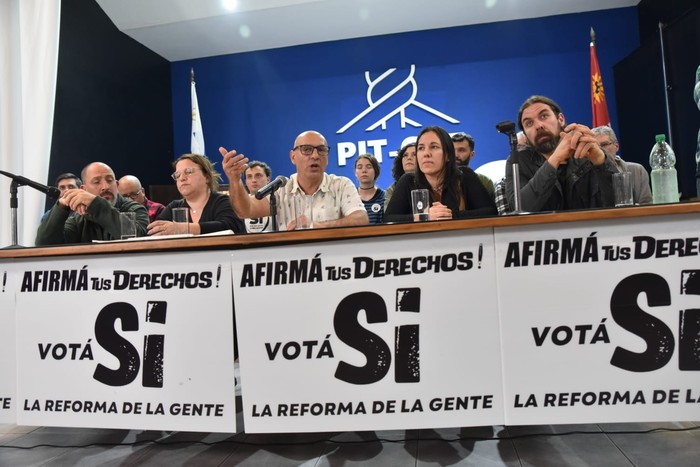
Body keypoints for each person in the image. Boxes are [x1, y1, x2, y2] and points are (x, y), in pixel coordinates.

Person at [220, 130, 369, 229]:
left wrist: (314, 226)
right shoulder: (280, 189)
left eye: (321, 150)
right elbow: (246, 211)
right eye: (307, 150)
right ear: (293, 157)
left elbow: (361, 219)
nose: (315, 156)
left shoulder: (341, 185)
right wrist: (234, 180)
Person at [505, 95, 616, 212]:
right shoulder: (517, 161)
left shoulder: (585, 151)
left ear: (561, 119)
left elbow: (618, 203)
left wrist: (600, 161)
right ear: (525, 135)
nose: (538, 126)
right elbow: (520, 209)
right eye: (529, 123)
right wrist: (555, 158)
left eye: (544, 116)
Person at [385, 126, 497, 222]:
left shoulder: (464, 175)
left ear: (448, 155)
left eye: (434, 147)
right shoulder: (408, 181)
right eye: (421, 148)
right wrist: (425, 216)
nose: (426, 154)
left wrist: (450, 215)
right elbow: (389, 218)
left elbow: (490, 212)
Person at [36, 162, 148, 245]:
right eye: (96, 182)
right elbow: (44, 244)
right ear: (83, 189)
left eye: (109, 180)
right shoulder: (78, 218)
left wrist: (94, 203)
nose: (105, 187)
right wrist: (61, 208)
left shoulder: (134, 208)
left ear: (117, 185)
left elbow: (134, 237)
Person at [147, 154, 245, 236]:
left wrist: (185, 228)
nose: (182, 178)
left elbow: (230, 226)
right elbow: (155, 231)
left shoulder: (223, 201)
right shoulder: (174, 207)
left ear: (207, 177)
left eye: (188, 172)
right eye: (177, 175)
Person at [592, 125, 652, 205]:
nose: (600, 150)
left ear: (616, 146)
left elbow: (647, 206)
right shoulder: (586, 176)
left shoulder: (637, 170)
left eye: (604, 144)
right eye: (595, 146)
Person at [451, 132, 495, 196]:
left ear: (472, 155)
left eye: (461, 150)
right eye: (452, 150)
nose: (456, 155)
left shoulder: (484, 181)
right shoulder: (438, 180)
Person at [243, 161, 273, 233]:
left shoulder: (277, 200)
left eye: (258, 175)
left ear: (268, 179)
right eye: (249, 177)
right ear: (246, 182)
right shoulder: (241, 203)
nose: (253, 180)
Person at [354, 153, 385, 224]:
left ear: (376, 171)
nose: (364, 170)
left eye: (368, 167)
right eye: (359, 167)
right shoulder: (350, 197)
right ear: (355, 172)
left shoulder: (384, 197)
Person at [385, 142, 416, 209]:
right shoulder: (392, 189)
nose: (409, 158)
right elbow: (389, 216)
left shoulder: (431, 183)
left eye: (414, 154)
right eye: (405, 155)